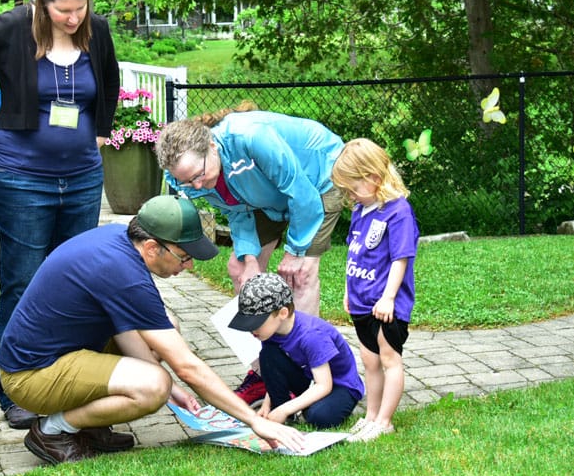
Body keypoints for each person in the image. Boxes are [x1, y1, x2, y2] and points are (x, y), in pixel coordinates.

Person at [0, 195, 312, 465]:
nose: (188, 266)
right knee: (153, 386)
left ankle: (87, 426)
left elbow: (124, 329)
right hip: (30, 377)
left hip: (59, 355)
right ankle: (53, 430)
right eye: (184, 257)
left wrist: (175, 391)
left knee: (165, 330)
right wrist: (255, 421)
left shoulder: (118, 244)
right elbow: (187, 367)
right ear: (150, 247)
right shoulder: (123, 271)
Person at [0, 0, 120, 429]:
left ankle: (68, 379)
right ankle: (14, 390)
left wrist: (101, 130)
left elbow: (110, 78)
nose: (72, 19)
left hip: (82, 180)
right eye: (63, 10)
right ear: (43, 2)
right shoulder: (12, 28)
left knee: (77, 283)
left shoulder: (96, 31)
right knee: (22, 282)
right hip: (20, 179)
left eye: (79, 9)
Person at [155, 108, 345, 405]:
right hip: (262, 197)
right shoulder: (187, 175)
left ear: (213, 146)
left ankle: (308, 375)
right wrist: (250, 259)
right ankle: (263, 372)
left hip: (317, 179)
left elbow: (300, 192)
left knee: (301, 274)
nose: (195, 185)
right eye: (187, 181)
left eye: (198, 175)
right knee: (240, 271)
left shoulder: (251, 137)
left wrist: (295, 252)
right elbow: (235, 208)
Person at [330, 138, 419, 442]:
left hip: (385, 305)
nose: (349, 195)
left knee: (389, 358)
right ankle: (370, 415)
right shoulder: (361, 210)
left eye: (353, 188)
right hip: (361, 302)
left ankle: (385, 420)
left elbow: (401, 258)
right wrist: (348, 289)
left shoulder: (398, 212)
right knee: (369, 361)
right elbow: (354, 253)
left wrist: (389, 297)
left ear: (374, 178)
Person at [228, 273, 364, 429]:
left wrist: (285, 410)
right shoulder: (270, 332)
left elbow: (324, 386)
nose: (251, 330)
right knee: (267, 355)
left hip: (340, 385)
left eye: (256, 323)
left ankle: (292, 408)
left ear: (283, 313)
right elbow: (272, 369)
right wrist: (267, 404)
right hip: (309, 377)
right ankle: (283, 410)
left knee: (318, 416)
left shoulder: (312, 335)